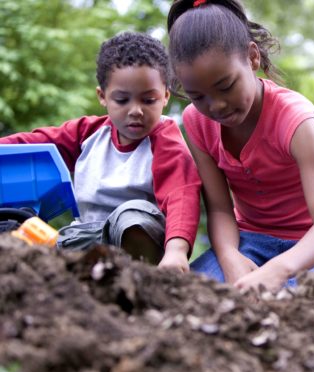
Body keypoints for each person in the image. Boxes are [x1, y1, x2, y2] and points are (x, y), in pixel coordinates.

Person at [166, 0, 314, 292]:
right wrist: (228, 256)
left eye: (226, 86)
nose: (216, 106)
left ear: (252, 57)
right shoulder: (196, 122)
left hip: (310, 249)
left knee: (301, 310)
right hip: (247, 243)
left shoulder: (297, 122)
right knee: (185, 297)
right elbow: (221, 209)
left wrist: (278, 270)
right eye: (198, 96)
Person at [0, 32, 201, 273]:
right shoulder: (89, 133)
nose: (135, 110)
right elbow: (32, 144)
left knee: (131, 215)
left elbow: (181, 195)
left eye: (148, 100)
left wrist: (176, 251)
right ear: (103, 97)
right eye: (122, 100)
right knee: (22, 233)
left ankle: (137, 276)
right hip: (86, 237)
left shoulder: (165, 140)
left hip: (138, 235)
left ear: (165, 96)